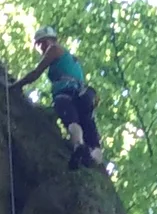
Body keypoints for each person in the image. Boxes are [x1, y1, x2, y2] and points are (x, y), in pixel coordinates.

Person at [19, 27, 101, 167]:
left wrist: (15, 85)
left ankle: (78, 146)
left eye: (41, 43)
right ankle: (93, 160)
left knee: (72, 121)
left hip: (65, 92)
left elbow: (35, 73)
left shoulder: (54, 49)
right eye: (39, 45)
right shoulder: (71, 59)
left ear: (49, 40)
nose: (41, 47)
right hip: (83, 95)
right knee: (91, 133)